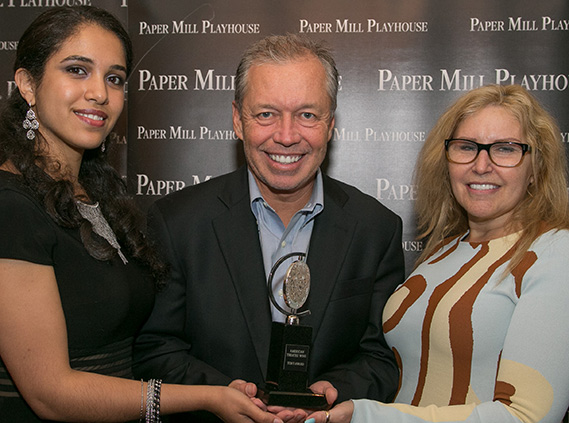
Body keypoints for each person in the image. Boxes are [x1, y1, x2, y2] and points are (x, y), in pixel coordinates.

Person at [0, 6, 284, 423]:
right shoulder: (11, 207)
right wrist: (205, 397)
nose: (99, 93)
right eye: (77, 70)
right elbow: (50, 393)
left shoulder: (98, 199)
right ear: (27, 83)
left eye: (114, 78)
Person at [133, 34, 405, 422]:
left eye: (307, 115)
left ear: (330, 124)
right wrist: (218, 394)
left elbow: (380, 357)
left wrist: (335, 391)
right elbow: (155, 349)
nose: (287, 136)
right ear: (237, 120)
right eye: (266, 114)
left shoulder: (376, 229)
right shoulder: (178, 222)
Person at [305, 84, 569, 423]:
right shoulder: (441, 254)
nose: (481, 165)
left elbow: (527, 417)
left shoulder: (555, 253)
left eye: (505, 149)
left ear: (537, 168)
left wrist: (368, 416)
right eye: (466, 147)